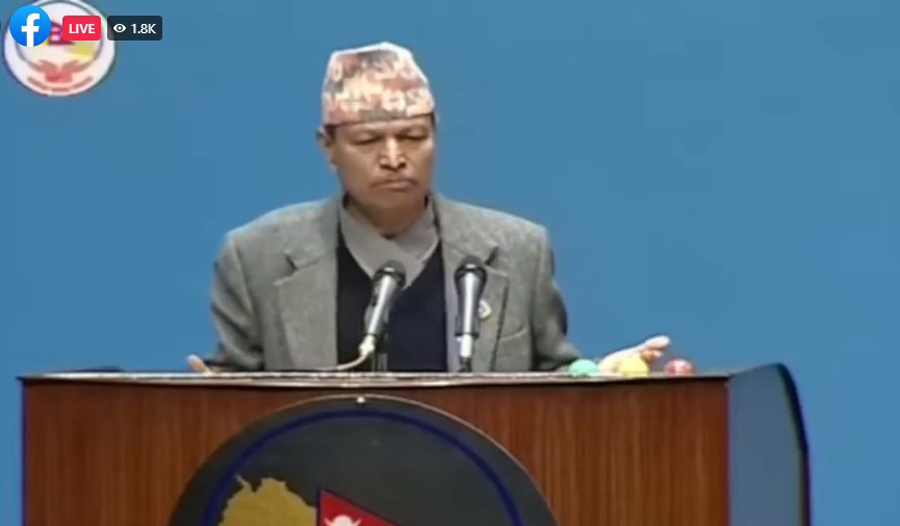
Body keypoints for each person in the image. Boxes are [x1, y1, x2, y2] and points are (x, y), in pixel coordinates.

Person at [189, 41, 670, 373]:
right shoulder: (258, 257)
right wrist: (207, 401)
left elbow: (552, 375)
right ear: (327, 148)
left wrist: (596, 378)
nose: (394, 157)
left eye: (413, 137)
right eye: (368, 141)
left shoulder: (518, 250)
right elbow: (234, 392)